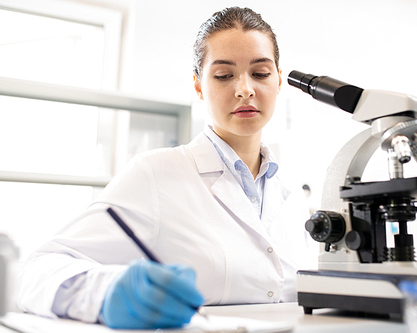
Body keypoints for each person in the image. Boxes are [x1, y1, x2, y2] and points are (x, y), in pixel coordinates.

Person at [16, 6, 315, 329]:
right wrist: (106, 293)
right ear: (199, 86)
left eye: (260, 73)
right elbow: (37, 272)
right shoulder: (155, 173)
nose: (245, 89)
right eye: (224, 75)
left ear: (279, 81)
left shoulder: (292, 192)